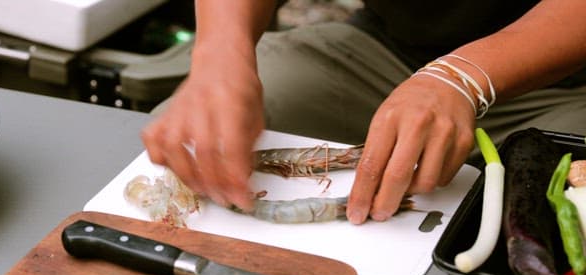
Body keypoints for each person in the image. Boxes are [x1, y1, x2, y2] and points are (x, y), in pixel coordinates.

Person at [141, 1, 586, 225]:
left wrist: (463, 77)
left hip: (562, 80)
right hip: (382, 48)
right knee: (188, 146)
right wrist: (221, 55)